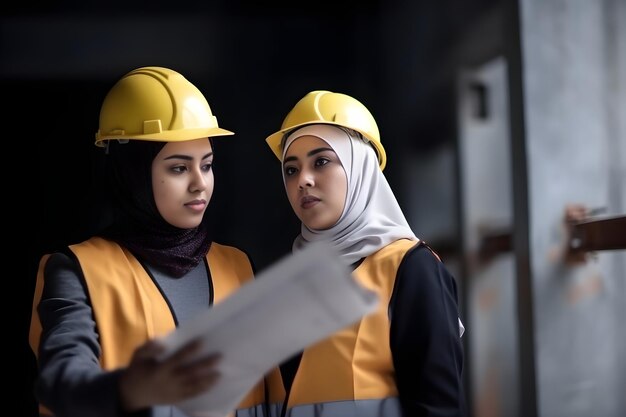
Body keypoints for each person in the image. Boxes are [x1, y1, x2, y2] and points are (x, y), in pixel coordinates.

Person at [29, 66, 274, 417]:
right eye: (178, 168)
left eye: (206, 165)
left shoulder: (237, 266)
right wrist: (129, 389)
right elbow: (60, 382)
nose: (199, 184)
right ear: (133, 173)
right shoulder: (78, 269)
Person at [263, 90, 467, 417]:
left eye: (322, 161)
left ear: (362, 169)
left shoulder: (410, 269)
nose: (304, 180)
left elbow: (437, 407)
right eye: (291, 169)